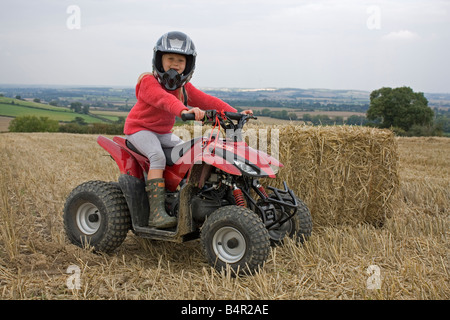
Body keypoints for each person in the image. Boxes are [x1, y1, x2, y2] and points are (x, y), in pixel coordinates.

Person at [124, 31, 252, 229]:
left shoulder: (183, 88)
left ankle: (185, 196)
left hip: (162, 133)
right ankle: (156, 214)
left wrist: (235, 113)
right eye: (170, 59)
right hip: (139, 130)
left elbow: (208, 100)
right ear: (159, 60)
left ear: (188, 64)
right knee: (157, 156)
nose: (175, 64)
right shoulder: (148, 82)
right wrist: (183, 110)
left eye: (180, 60)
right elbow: (164, 100)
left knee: (189, 154)